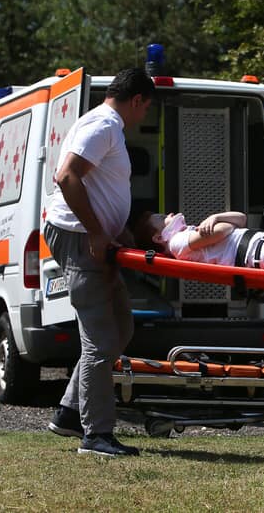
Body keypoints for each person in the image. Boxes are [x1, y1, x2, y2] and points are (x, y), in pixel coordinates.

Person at [44, 68, 155, 457]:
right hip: (80, 239)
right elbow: (67, 177)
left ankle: (69, 412)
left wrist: (116, 229)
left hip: (93, 240)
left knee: (121, 327)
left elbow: (98, 186)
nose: (144, 115)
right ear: (137, 100)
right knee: (101, 341)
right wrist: (95, 232)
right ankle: (96, 435)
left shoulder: (106, 126)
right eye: (146, 107)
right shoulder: (103, 125)